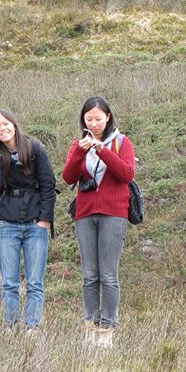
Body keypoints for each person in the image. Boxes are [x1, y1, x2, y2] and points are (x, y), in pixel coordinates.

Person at [62, 96, 136, 346]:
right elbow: (68, 177)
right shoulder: (78, 144)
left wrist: (101, 150)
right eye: (88, 119)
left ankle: (108, 330)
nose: (93, 123)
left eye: (98, 118)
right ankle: (90, 326)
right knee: (89, 275)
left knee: (108, 275)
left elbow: (126, 174)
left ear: (108, 118)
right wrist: (80, 153)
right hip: (85, 214)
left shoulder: (122, 142)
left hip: (114, 214)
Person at [0, 109, 57, 330]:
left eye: (6, 124)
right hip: (7, 224)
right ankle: (10, 327)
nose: (2, 128)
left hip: (35, 223)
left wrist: (45, 220)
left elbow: (48, 185)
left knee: (35, 283)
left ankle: (32, 327)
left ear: (14, 124)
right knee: (9, 283)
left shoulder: (34, 147)